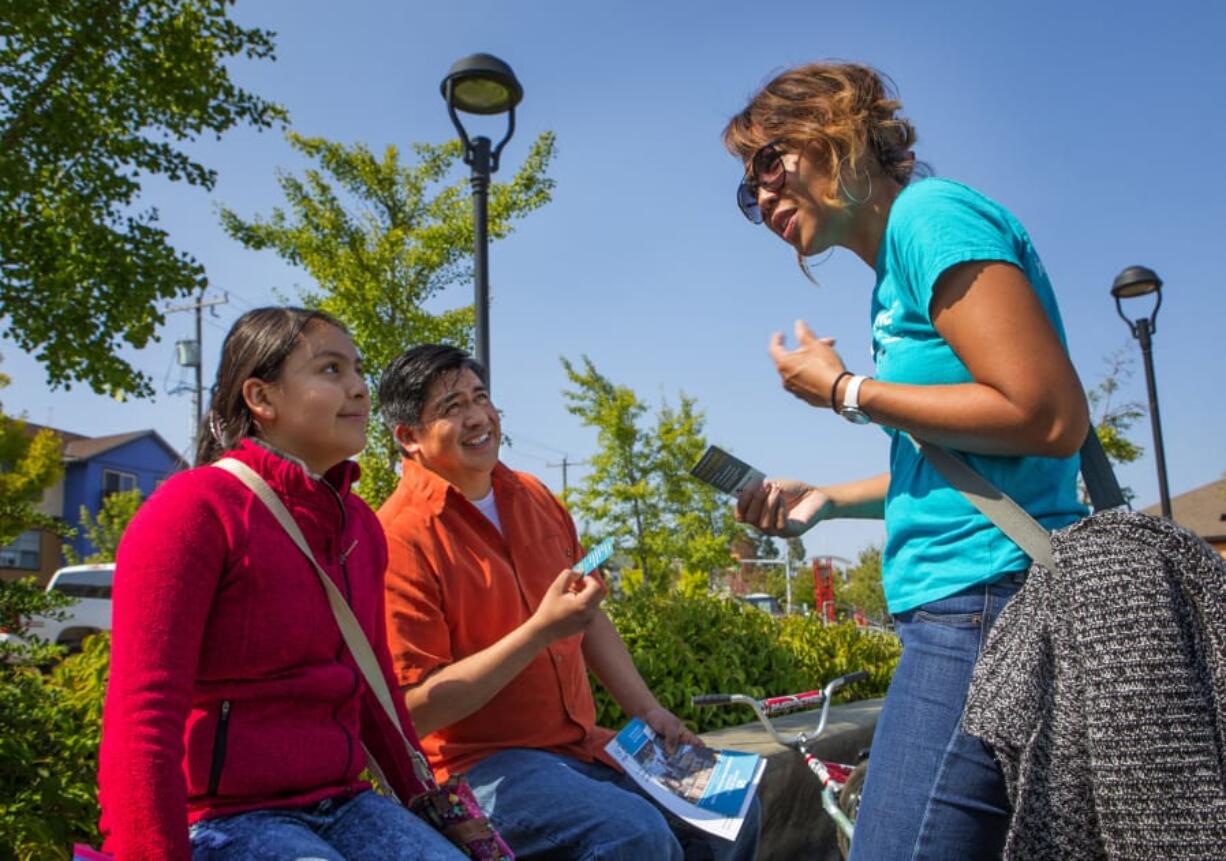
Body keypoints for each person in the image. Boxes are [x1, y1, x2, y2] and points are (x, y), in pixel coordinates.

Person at [724, 63, 1089, 860]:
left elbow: (1049, 414)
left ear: (836, 128)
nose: (761, 198)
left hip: (983, 602)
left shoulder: (930, 216)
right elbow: (964, 464)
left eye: (766, 163)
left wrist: (848, 390)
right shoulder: (892, 275)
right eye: (748, 193)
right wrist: (827, 499)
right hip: (966, 600)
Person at [98, 308, 465, 861]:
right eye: (331, 369)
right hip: (225, 818)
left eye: (358, 370)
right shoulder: (194, 511)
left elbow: (373, 688)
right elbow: (142, 714)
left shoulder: (359, 524)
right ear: (261, 398)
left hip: (346, 802)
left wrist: (430, 812)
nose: (360, 388)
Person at [376, 344, 761, 861]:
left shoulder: (533, 495)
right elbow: (414, 711)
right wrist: (539, 631)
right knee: (635, 835)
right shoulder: (398, 537)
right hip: (477, 767)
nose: (477, 417)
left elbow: (589, 618)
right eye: (452, 408)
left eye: (481, 397)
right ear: (408, 438)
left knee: (733, 809)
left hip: (578, 746)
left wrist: (648, 712)